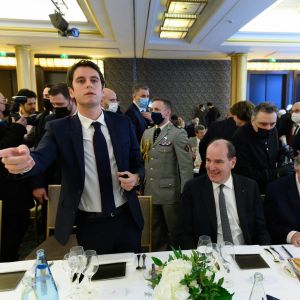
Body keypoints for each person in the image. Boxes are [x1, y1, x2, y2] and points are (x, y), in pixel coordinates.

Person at [0, 60, 144, 254]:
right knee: (96, 280)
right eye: (81, 80)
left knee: (131, 277)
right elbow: (41, 156)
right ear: (72, 92)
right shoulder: (59, 128)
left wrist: (136, 178)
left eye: (94, 80)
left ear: (102, 90)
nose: (88, 84)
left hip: (126, 218)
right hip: (89, 223)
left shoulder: (123, 123)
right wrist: (25, 163)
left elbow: (138, 161)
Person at [174, 139, 270, 249]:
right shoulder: (193, 189)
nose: (211, 167)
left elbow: (261, 229)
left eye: (218, 162)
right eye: (208, 160)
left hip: (244, 252)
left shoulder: (250, 187)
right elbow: (182, 232)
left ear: (232, 163)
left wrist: (263, 252)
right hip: (208, 256)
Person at [140, 98, 193, 251]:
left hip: (170, 193)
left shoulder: (178, 134)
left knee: (174, 231)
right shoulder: (147, 133)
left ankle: (179, 261)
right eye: (151, 110)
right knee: (155, 233)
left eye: (156, 109)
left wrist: (186, 192)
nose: (153, 113)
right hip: (150, 191)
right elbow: (145, 161)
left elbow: (186, 166)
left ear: (167, 112)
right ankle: (158, 263)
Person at [0, 91, 34, 261]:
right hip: (5, 190)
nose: (5, 105)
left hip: (17, 187)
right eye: (3, 101)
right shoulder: (10, 125)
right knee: (8, 233)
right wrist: (18, 129)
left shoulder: (6, 122)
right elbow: (3, 149)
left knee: (18, 228)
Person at [232, 102, 293, 193]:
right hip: (251, 190)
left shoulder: (274, 130)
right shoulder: (240, 136)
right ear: (253, 120)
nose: (268, 128)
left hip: (271, 187)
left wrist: (281, 152)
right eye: (263, 124)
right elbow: (244, 174)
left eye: (272, 124)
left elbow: (269, 154)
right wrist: (277, 173)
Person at [264, 154, 300, 246]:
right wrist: (292, 235)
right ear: (296, 167)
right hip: (288, 249)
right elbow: (268, 225)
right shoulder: (276, 189)